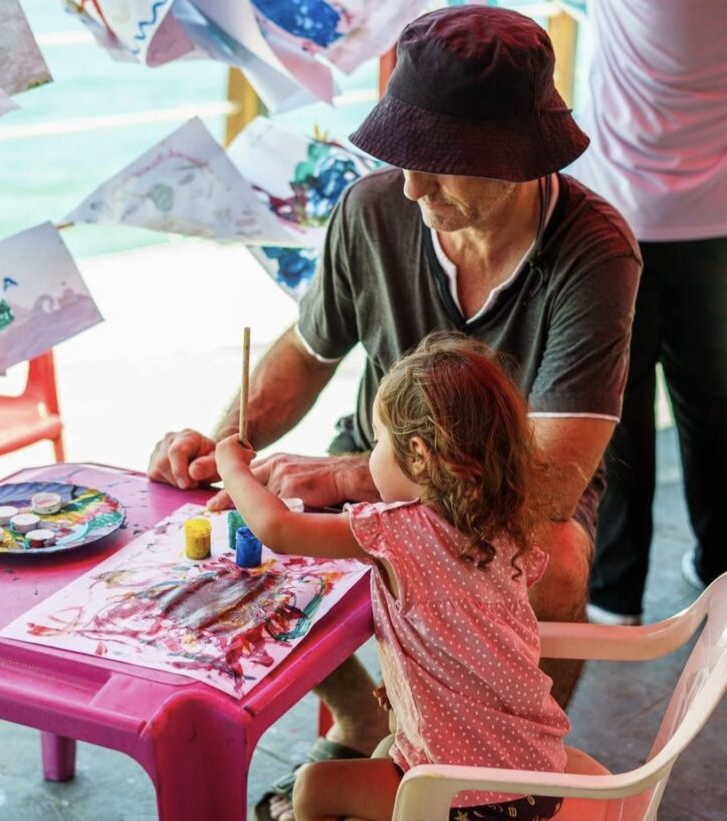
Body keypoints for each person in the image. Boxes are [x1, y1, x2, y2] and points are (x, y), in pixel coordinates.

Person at [148, 6, 641, 820]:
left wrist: (348, 477)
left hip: (508, 488)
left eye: (441, 164)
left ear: (518, 158)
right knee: (248, 520)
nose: (413, 187)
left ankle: (515, 764)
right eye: (405, 159)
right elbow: (305, 354)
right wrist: (223, 439)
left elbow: (548, 486)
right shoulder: (376, 207)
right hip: (377, 456)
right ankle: (361, 714)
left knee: (552, 560)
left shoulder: (595, 250)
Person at [217, 332, 569, 821]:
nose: (373, 451)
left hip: (473, 799)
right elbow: (465, 642)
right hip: (535, 775)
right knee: (384, 751)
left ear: (420, 454)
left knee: (312, 788)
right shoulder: (500, 526)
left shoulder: (400, 531)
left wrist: (233, 468)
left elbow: (278, 528)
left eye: (378, 439)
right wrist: (408, 684)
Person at [571, 0, 727, 625]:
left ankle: (615, 591)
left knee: (615, 411)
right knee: (714, 408)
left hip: (614, 218)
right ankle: (719, 566)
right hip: (716, 220)